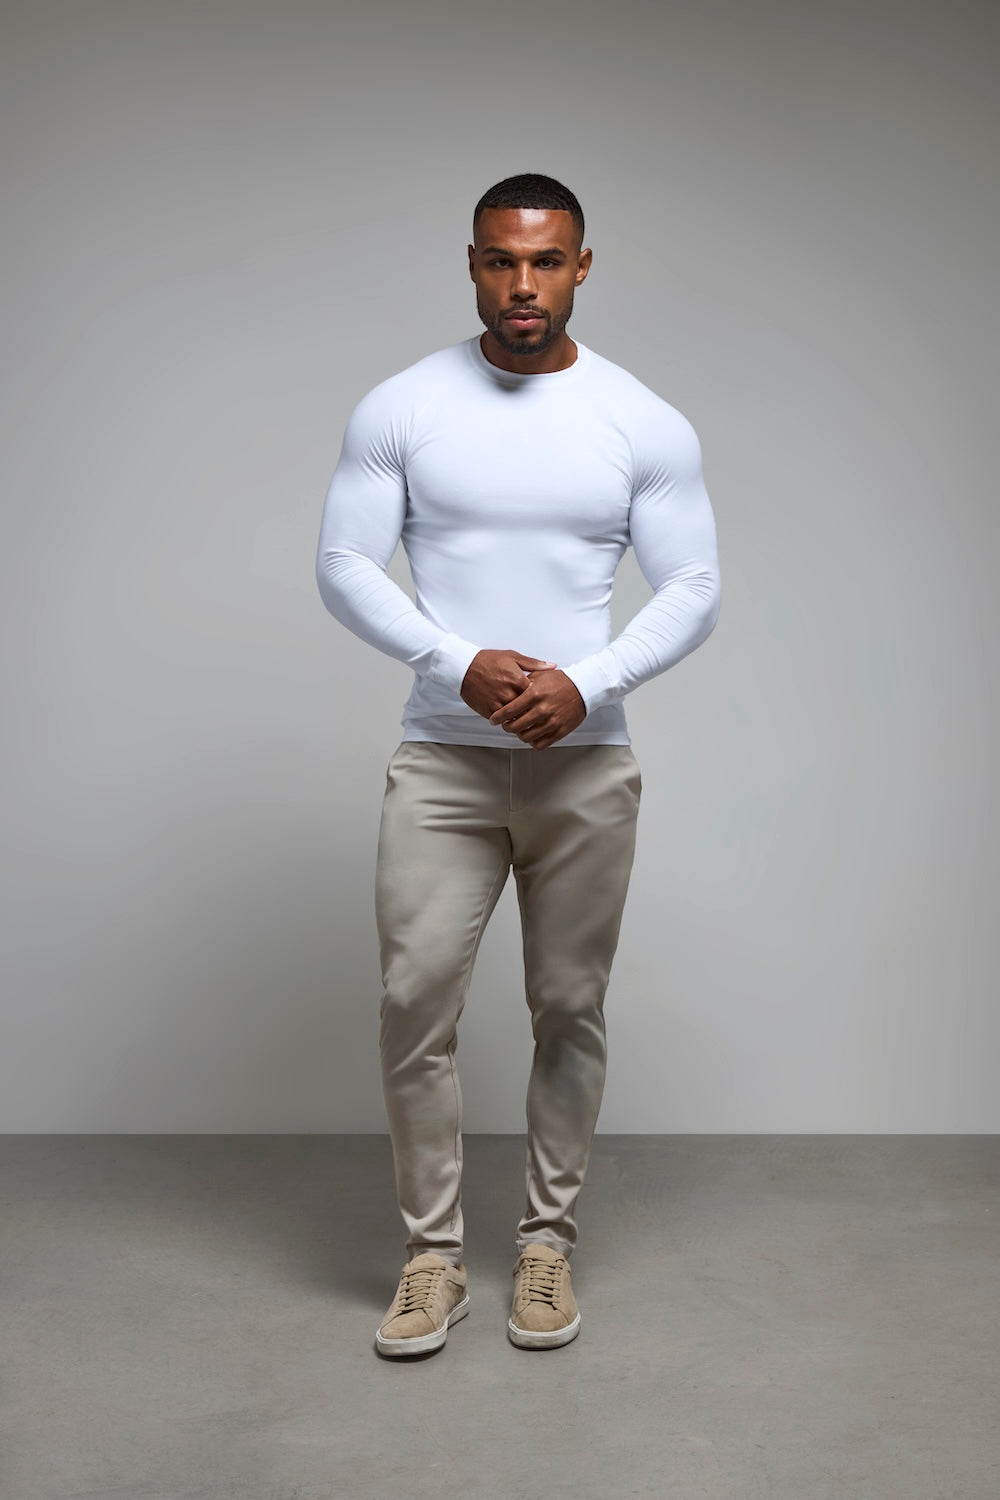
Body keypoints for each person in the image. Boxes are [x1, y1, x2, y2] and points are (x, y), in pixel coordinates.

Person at [316, 173, 721, 1357]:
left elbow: (694, 584)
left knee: (569, 1007)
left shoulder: (639, 419)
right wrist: (456, 662)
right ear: (473, 264)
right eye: (501, 260)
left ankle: (545, 1245)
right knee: (413, 1003)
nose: (523, 284)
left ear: (581, 266)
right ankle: (432, 1260)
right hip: (443, 760)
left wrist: (589, 681)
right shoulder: (404, 406)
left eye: (545, 261)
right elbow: (344, 563)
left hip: (583, 767)